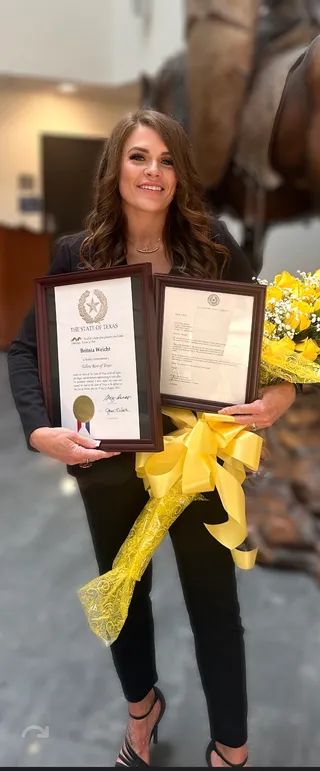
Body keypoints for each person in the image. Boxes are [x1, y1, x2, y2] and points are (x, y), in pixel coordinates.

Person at [7, 109, 297, 768]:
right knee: (125, 594)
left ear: (181, 174)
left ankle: (232, 750)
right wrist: (41, 431)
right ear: (115, 168)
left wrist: (282, 393)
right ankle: (143, 711)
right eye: (139, 156)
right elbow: (26, 351)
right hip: (110, 459)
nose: (153, 172)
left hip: (198, 460)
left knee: (214, 604)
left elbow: (268, 344)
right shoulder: (77, 254)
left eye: (167, 160)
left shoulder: (213, 244)